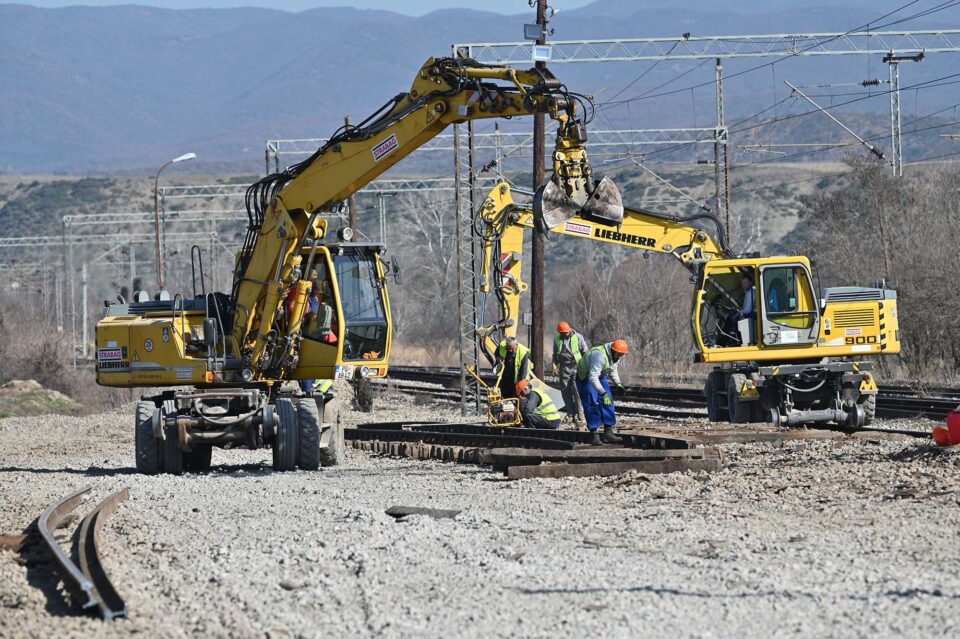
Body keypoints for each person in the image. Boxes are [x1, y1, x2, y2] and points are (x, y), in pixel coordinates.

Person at [575, 339, 629, 446]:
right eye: (619, 354)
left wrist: (618, 384)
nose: (620, 356)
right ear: (613, 351)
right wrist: (603, 394)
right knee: (591, 403)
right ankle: (594, 434)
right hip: (586, 377)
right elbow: (593, 377)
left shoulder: (615, 356)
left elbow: (612, 370)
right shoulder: (599, 355)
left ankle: (608, 433)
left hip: (600, 375)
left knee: (608, 402)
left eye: (622, 355)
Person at [551, 321, 589, 426]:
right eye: (562, 333)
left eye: (566, 332)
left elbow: (585, 351)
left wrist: (585, 366)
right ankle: (570, 413)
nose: (565, 334)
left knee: (576, 390)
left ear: (569, 330)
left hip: (576, 366)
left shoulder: (578, 337)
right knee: (565, 391)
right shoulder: (557, 339)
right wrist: (554, 364)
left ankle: (580, 413)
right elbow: (555, 353)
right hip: (564, 367)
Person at [734, 271, 756, 345]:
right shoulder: (747, 291)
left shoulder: (751, 293)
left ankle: (735, 338)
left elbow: (748, 309)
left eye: (745, 283)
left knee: (734, 319)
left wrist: (739, 312)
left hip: (751, 315)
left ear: (750, 282)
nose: (743, 285)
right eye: (742, 283)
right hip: (749, 313)